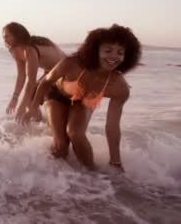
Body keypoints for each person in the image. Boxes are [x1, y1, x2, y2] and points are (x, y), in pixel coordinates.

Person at [23, 24, 142, 171]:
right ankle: (53, 176)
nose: (114, 56)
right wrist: (34, 107)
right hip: (57, 95)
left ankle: (91, 177)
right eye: (108, 50)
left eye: (120, 52)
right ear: (95, 51)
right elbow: (46, 81)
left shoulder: (119, 87)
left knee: (75, 134)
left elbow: (112, 126)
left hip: (83, 102)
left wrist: (115, 161)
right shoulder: (72, 63)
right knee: (61, 145)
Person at [2, 22, 66, 122]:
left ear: (17, 35)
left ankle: (44, 123)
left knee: (29, 98)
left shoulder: (30, 49)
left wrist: (22, 106)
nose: (4, 39)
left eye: (7, 36)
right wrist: (15, 98)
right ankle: (40, 123)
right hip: (50, 72)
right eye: (3, 37)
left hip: (65, 72)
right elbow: (21, 76)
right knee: (28, 98)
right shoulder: (15, 51)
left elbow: (31, 81)